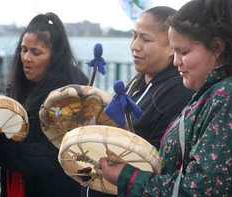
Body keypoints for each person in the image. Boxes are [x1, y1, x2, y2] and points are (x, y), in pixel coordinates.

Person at [95, 0, 232, 196]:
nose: (176, 60)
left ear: (217, 47)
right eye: (175, 50)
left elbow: (202, 190)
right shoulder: (216, 90)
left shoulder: (231, 97)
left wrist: (127, 177)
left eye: (184, 52)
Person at [81, 6, 194, 197]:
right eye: (134, 36)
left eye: (146, 39)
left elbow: (159, 162)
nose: (135, 45)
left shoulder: (177, 92)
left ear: (172, 46)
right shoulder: (137, 84)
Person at [0, 12, 88, 197]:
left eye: (36, 52)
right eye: (24, 49)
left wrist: (0, 145)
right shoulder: (20, 85)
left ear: (55, 55)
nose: (26, 57)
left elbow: (52, 155)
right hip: (17, 183)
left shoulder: (70, 93)